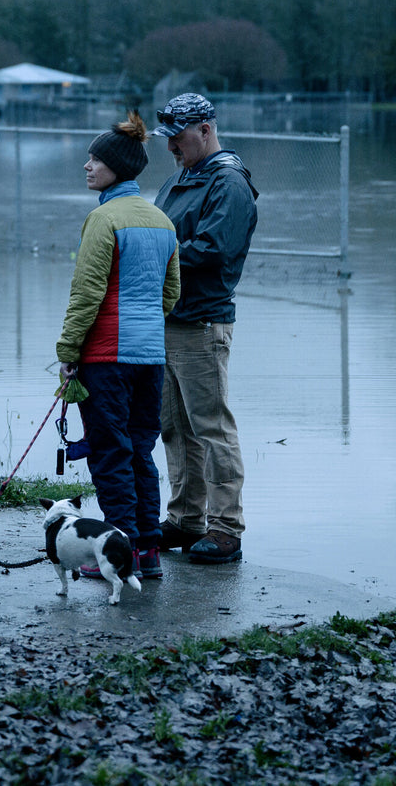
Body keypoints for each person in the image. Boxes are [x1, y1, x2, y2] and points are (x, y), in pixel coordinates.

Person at [55, 111, 181, 580]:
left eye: (95, 160)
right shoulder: (162, 221)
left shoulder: (103, 219)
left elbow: (86, 293)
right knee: (140, 451)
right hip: (150, 359)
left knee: (110, 454)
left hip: (105, 358)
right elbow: (171, 294)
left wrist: (68, 351)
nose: (87, 166)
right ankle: (147, 552)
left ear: (117, 168)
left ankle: (117, 554)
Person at [152, 93, 258, 565]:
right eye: (168, 139)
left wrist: (154, 258)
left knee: (211, 427)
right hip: (167, 319)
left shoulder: (228, 182)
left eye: (178, 137)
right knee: (175, 428)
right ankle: (185, 519)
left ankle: (226, 528)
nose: (172, 147)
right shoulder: (182, 179)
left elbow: (214, 248)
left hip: (202, 322)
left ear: (205, 129)